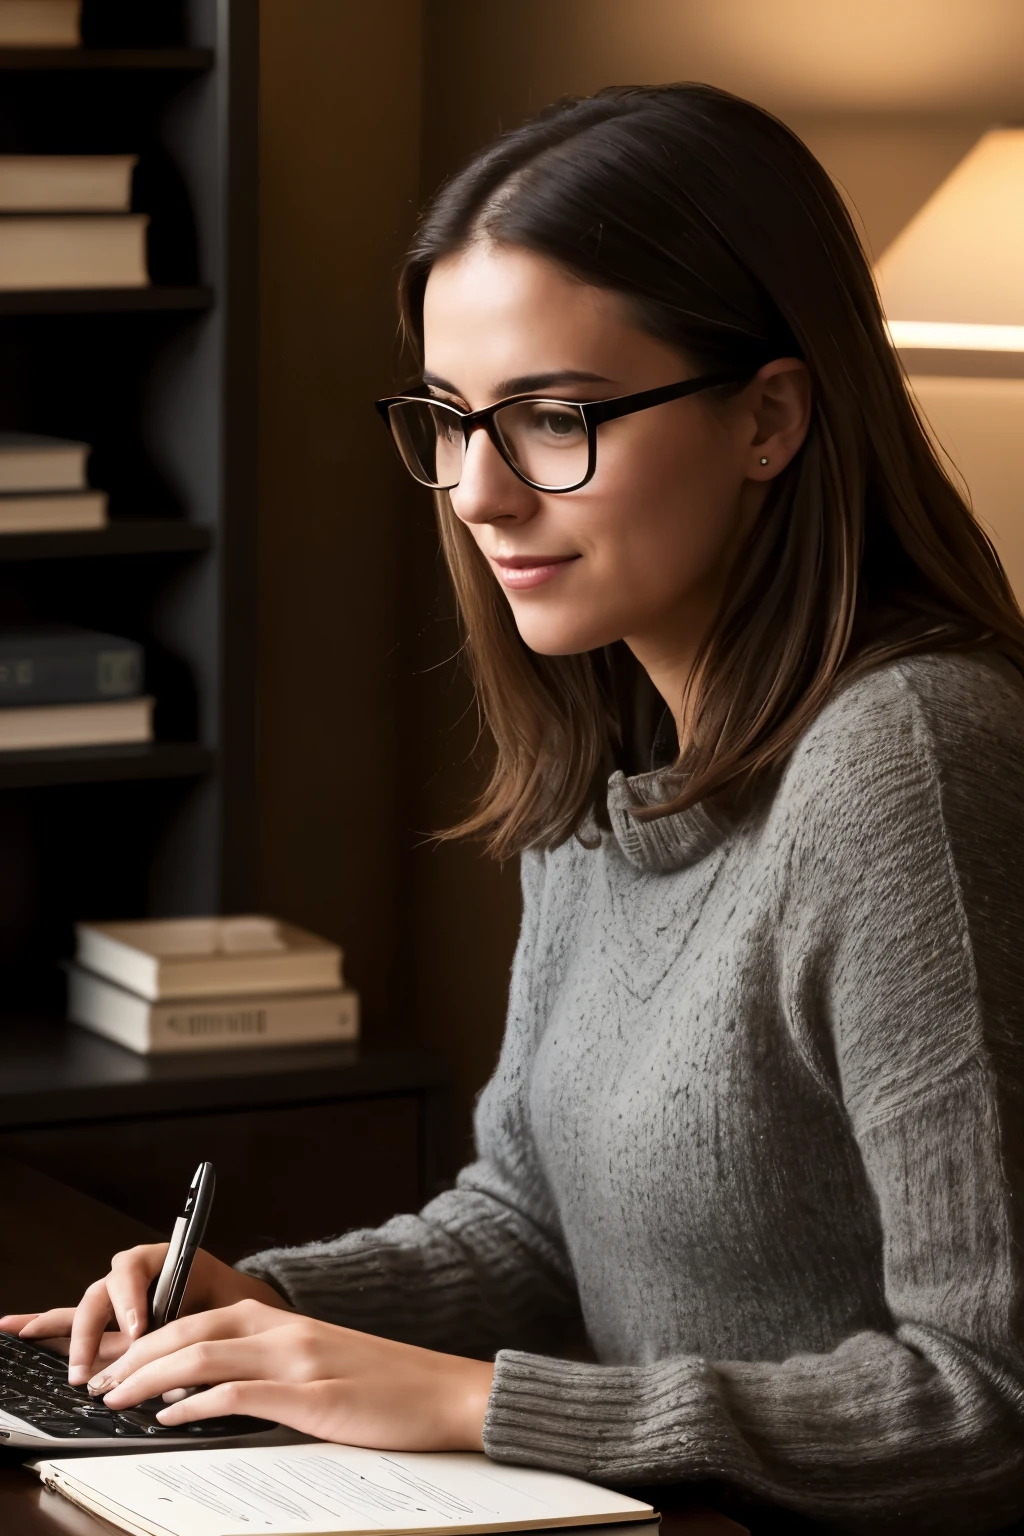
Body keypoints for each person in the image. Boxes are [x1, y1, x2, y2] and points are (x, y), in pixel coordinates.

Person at [5, 82, 1024, 1534]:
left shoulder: (911, 761)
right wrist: (259, 1307)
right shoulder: (613, 749)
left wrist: (476, 1401)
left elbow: (990, 1396)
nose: (478, 495)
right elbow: (528, 1225)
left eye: (553, 418)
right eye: (448, 418)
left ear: (771, 417)